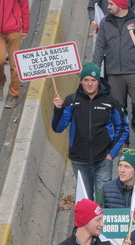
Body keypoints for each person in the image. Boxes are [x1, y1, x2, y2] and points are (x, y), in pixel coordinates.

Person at [52, 63, 129, 201]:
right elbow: (58, 128)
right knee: (86, 201)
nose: (90, 84)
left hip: (103, 160)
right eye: (86, 80)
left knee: (103, 200)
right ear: (81, 81)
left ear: (98, 82)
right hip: (79, 160)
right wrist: (58, 110)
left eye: (93, 80)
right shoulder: (71, 100)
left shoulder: (110, 101)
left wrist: (111, 154)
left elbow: (123, 127)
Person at [93, 0, 135, 135]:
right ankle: (123, 139)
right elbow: (99, 48)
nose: (108, 7)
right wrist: (94, 72)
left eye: (111, 4)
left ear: (120, 5)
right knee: (118, 109)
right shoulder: (105, 22)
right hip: (114, 73)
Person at [0, 0, 30, 108]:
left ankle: (14, 94)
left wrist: (25, 28)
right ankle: (0, 82)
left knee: (15, 64)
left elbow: (24, 7)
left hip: (14, 30)